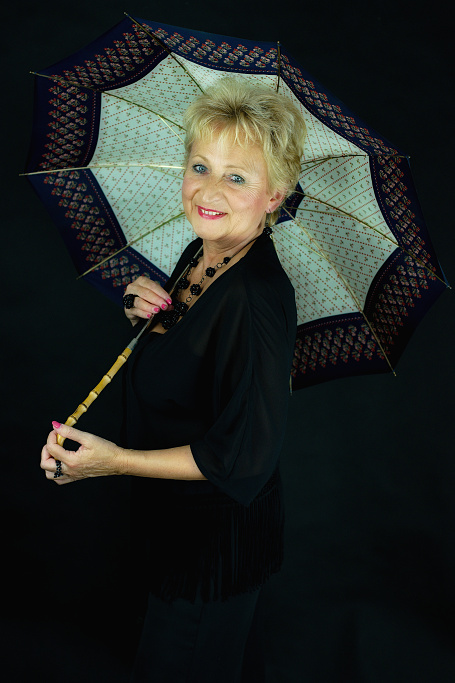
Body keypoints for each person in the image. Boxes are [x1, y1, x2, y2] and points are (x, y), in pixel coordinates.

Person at [41, 77, 306, 682]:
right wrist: (145, 315)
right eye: (200, 166)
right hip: (175, 531)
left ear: (274, 194)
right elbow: (195, 356)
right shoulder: (203, 253)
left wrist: (114, 462)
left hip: (212, 550)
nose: (209, 191)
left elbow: (244, 458)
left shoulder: (257, 298)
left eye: (237, 177)